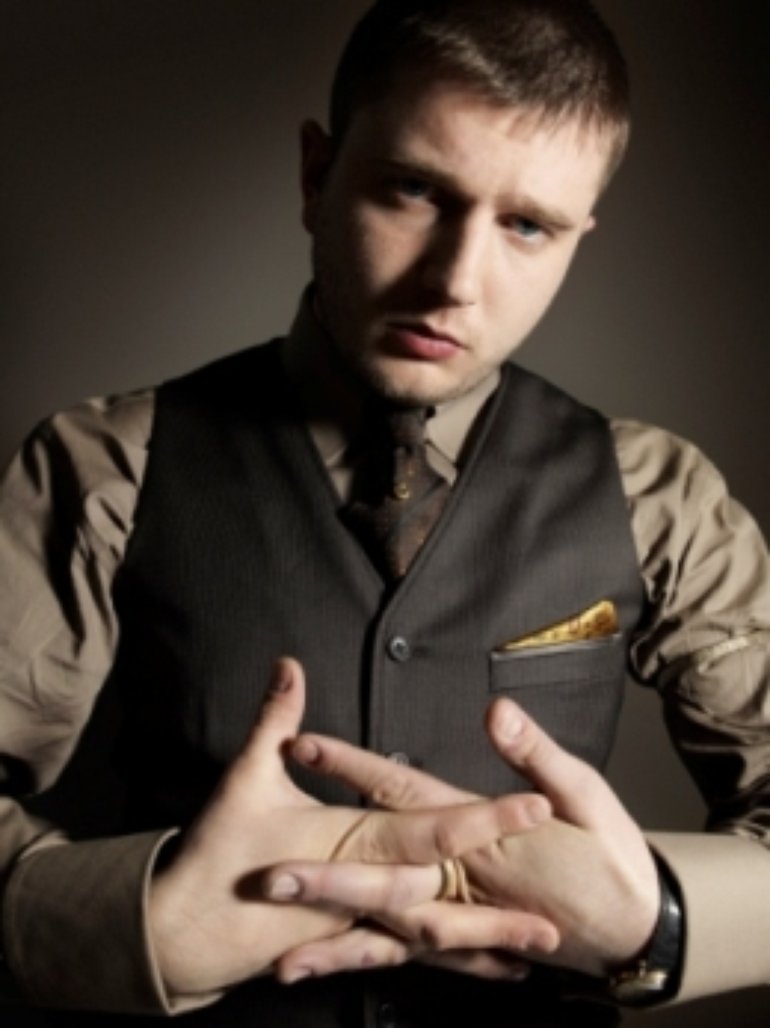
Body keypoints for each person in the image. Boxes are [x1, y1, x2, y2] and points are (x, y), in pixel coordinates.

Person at [1, 0, 769, 1025]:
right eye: (413, 190)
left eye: (527, 225)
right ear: (315, 175)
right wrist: (143, 925)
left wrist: (658, 922)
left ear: (577, 237)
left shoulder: (659, 497)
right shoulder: (102, 469)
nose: (453, 282)